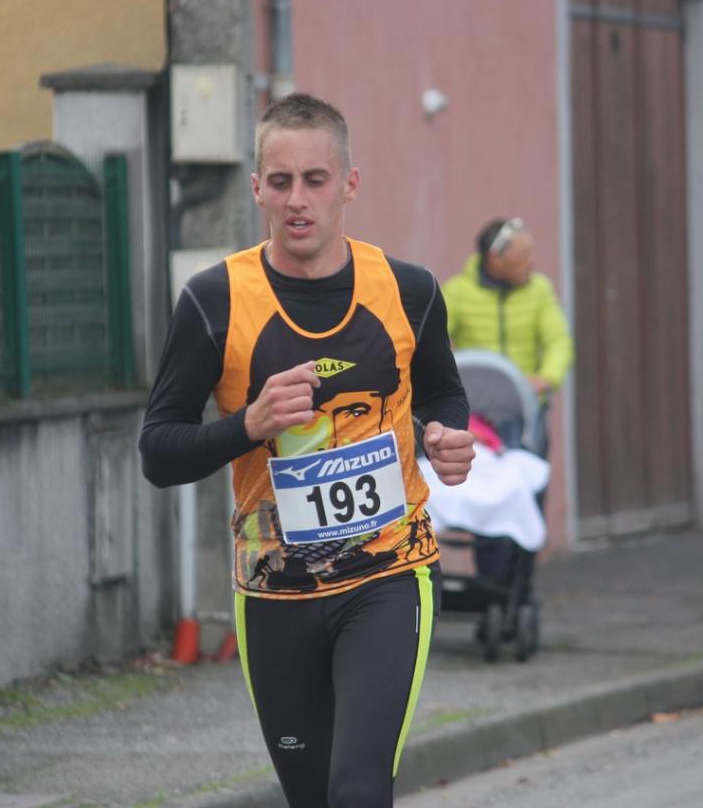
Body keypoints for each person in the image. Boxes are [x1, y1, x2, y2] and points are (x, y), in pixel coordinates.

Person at [139, 92, 475, 808]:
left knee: (357, 791)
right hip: (273, 592)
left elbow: (443, 392)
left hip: (390, 574)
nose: (298, 200)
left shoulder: (409, 291)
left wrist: (445, 436)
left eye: (315, 179)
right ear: (256, 188)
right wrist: (248, 425)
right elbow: (158, 452)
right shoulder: (213, 301)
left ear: (349, 184)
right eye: (281, 181)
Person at [442, 216, 574, 425]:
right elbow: (433, 337)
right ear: (495, 258)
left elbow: (558, 340)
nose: (532, 262)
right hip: (475, 409)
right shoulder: (457, 291)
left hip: (525, 405)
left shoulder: (540, 290)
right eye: (523, 255)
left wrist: (547, 377)